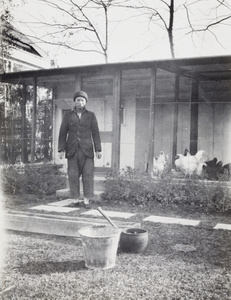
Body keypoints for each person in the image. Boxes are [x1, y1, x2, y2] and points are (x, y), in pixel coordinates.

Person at [58, 90, 102, 208]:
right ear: (75, 101)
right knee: (73, 175)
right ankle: (75, 201)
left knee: (88, 175)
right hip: (72, 150)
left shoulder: (91, 115)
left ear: (85, 102)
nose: (80, 102)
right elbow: (63, 132)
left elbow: (95, 133)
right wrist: (61, 149)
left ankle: (87, 201)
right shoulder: (68, 115)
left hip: (87, 151)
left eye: (82, 100)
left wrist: (98, 149)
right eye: (78, 100)